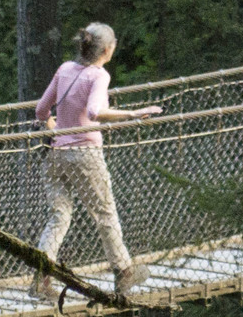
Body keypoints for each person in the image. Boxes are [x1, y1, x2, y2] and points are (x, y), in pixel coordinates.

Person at [28, 21, 161, 300]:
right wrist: (133, 115)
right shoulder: (98, 76)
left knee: (59, 217)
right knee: (104, 214)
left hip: (56, 156)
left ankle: (40, 280)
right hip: (85, 156)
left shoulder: (65, 69)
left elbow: (41, 110)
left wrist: (56, 132)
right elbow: (94, 112)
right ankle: (124, 272)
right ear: (107, 49)